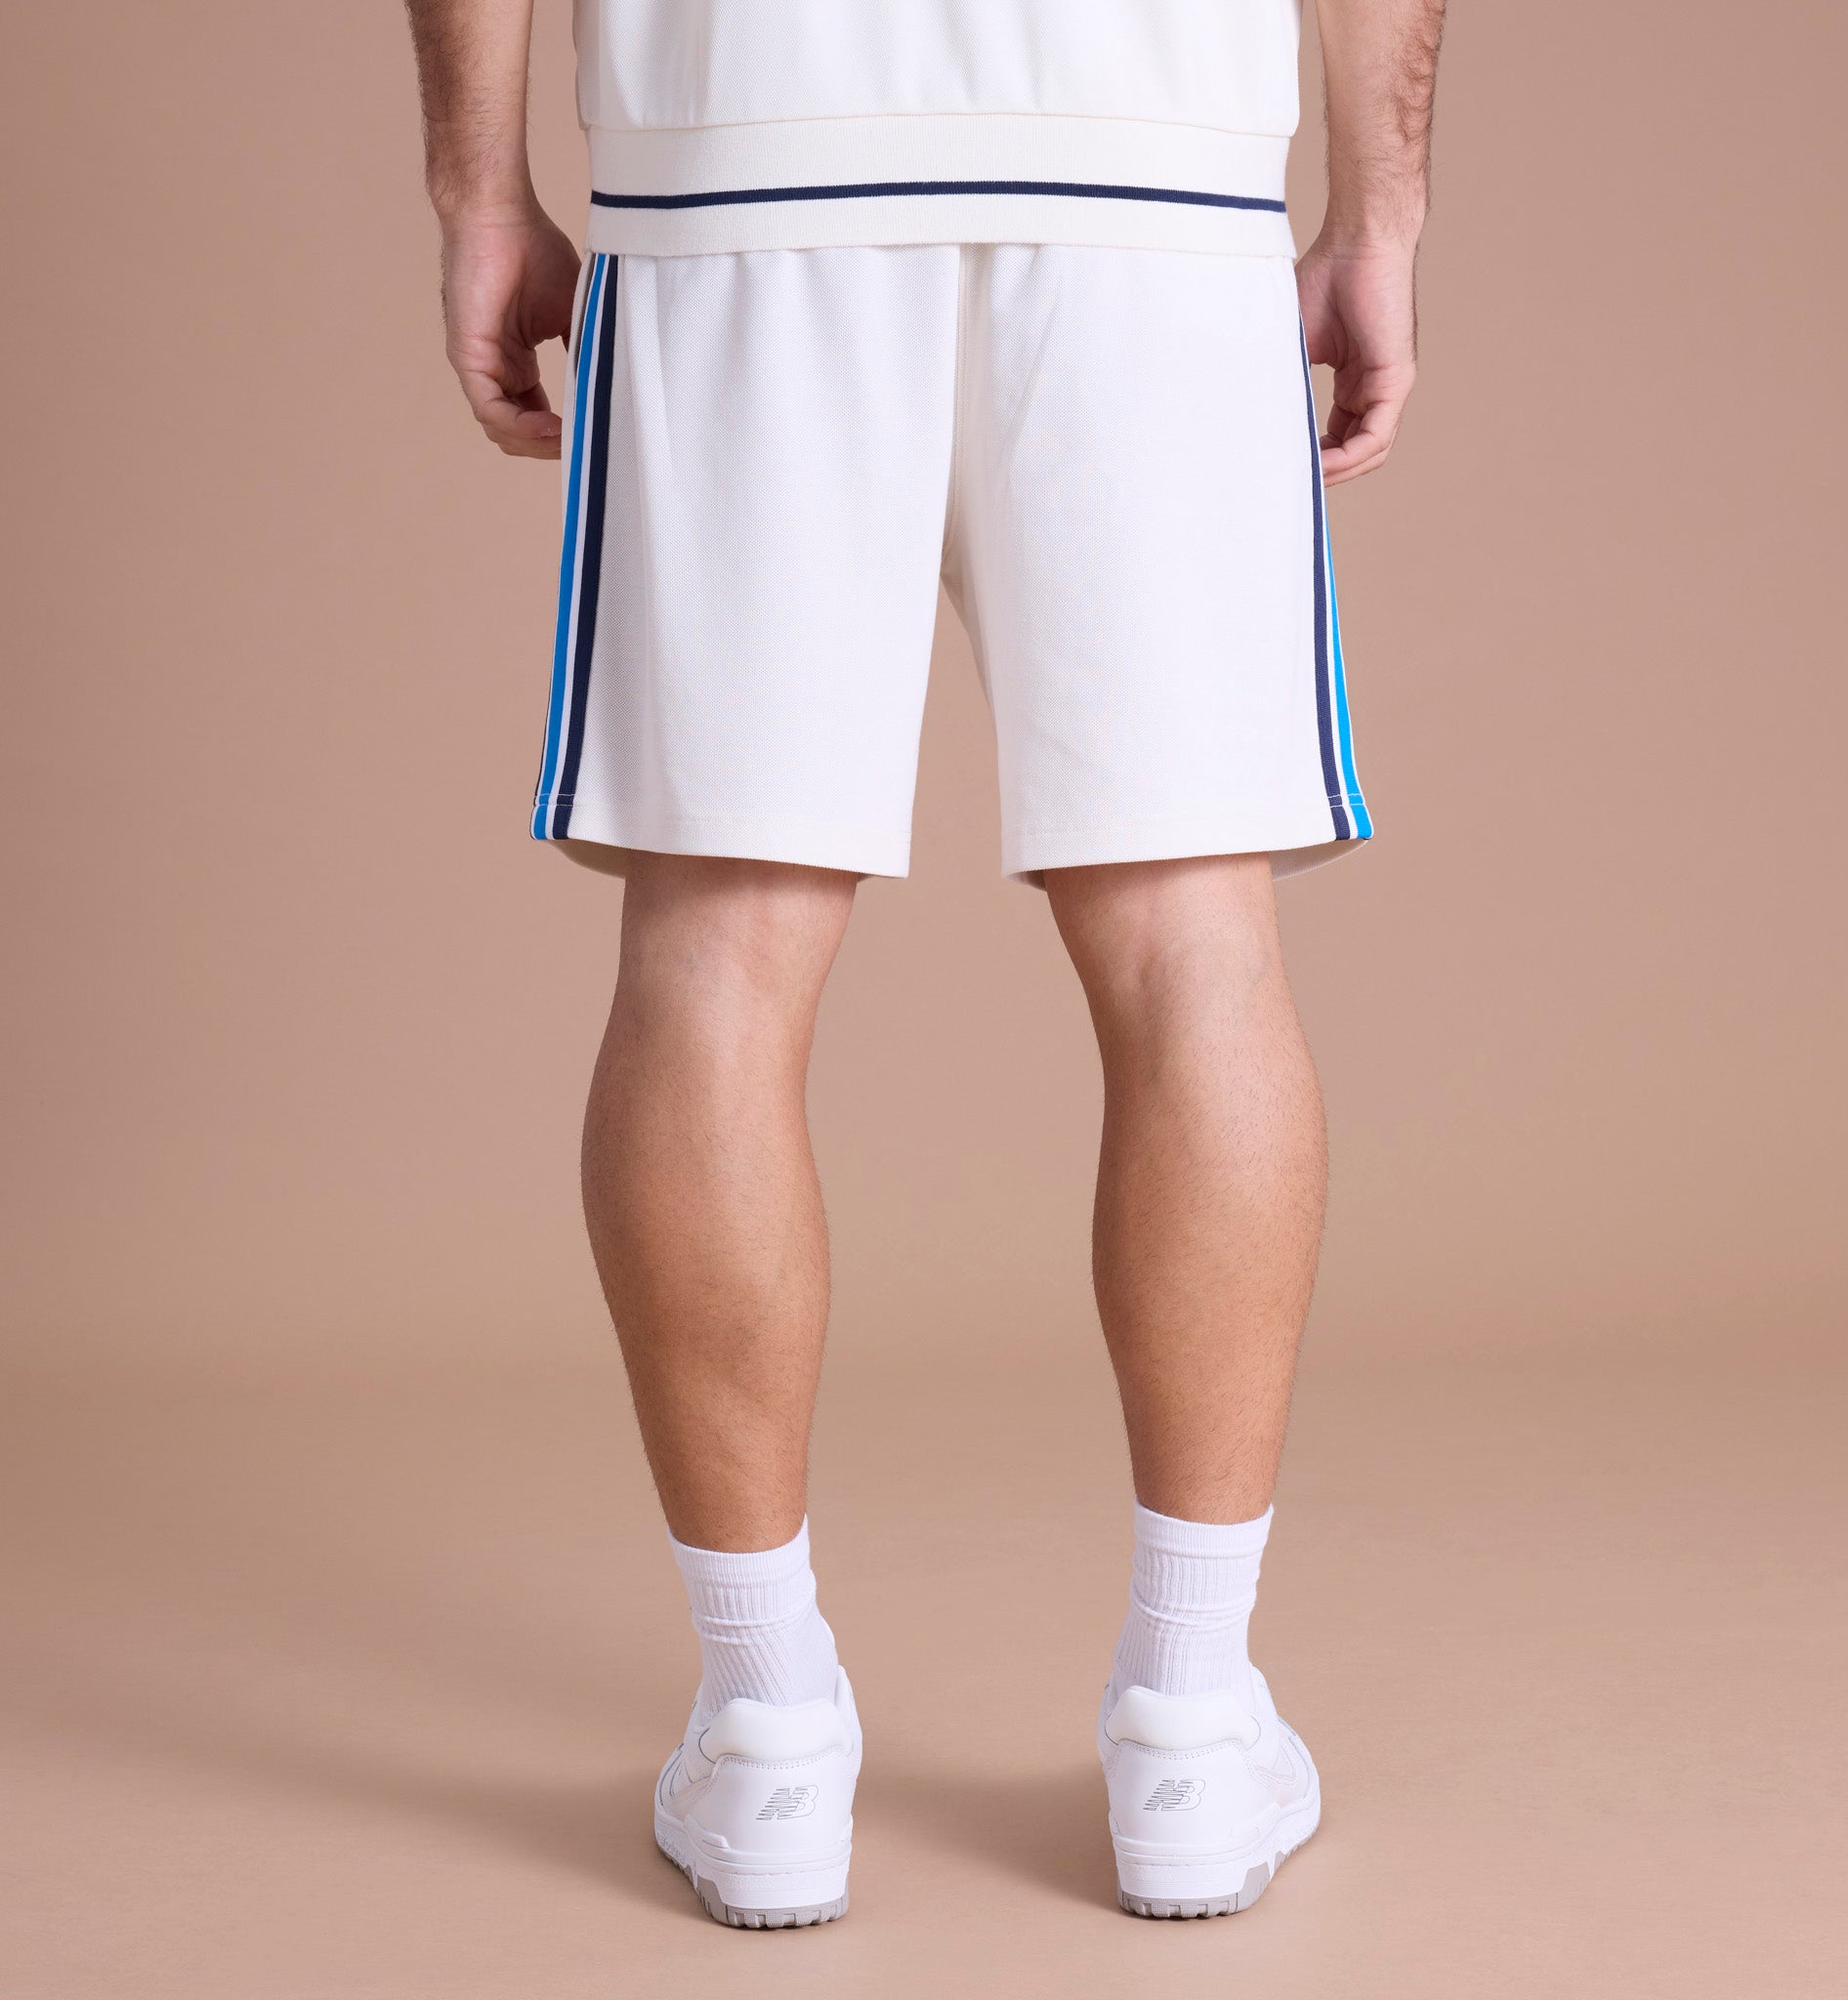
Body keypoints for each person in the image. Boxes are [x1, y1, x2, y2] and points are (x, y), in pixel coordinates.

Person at [403, 0, 1443, 1930]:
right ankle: (1190, 1723)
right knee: (1194, 949)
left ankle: (768, 1732)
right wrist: (1381, 208)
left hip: (746, 151)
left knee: (717, 959)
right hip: (1148, 168)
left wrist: (480, 186)